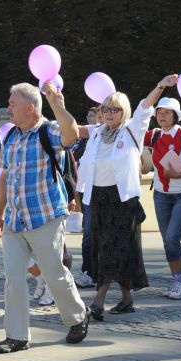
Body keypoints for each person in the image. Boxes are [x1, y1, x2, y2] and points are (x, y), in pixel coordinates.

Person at [0, 82, 90, 354]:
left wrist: (57, 102)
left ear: (29, 107)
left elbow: (71, 136)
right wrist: (0, 215)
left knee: (54, 274)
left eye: (12, 103)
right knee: (13, 278)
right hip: (14, 220)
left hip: (45, 217)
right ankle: (17, 336)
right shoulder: (10, 135)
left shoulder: (48, 130)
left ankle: (78, 316)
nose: (8, 108)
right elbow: (5, 177)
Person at [76, 76, 170, 321]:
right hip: (98, 197)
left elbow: (145, 107)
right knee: (112, 249)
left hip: (121, 199)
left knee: (112, 249)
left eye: (114, 109)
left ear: (123, 112)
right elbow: (72, 131)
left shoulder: (131, 129)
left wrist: (160, 85)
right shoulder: (97, 132)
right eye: (105, 108)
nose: (108, 113)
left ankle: (97, 303)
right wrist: (57, 102)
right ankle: (126, 299)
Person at [144, 97, 181, 300]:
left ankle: (178, 280)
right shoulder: (152, 136)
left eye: (167, 112)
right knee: (176, 234)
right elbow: (132, 131)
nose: (162, 115)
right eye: (159, 112)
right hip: (161, 195)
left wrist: (180, 174)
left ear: (176, 116)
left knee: (171, 237)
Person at [72, 106, 101, 289]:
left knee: (108, 233)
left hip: (110, 192)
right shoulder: (89, 135)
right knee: (89, 233)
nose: (101, 117)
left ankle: (111, 271)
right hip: (88, 191)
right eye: (97, 114)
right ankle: (88, 272)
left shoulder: (121, 134)